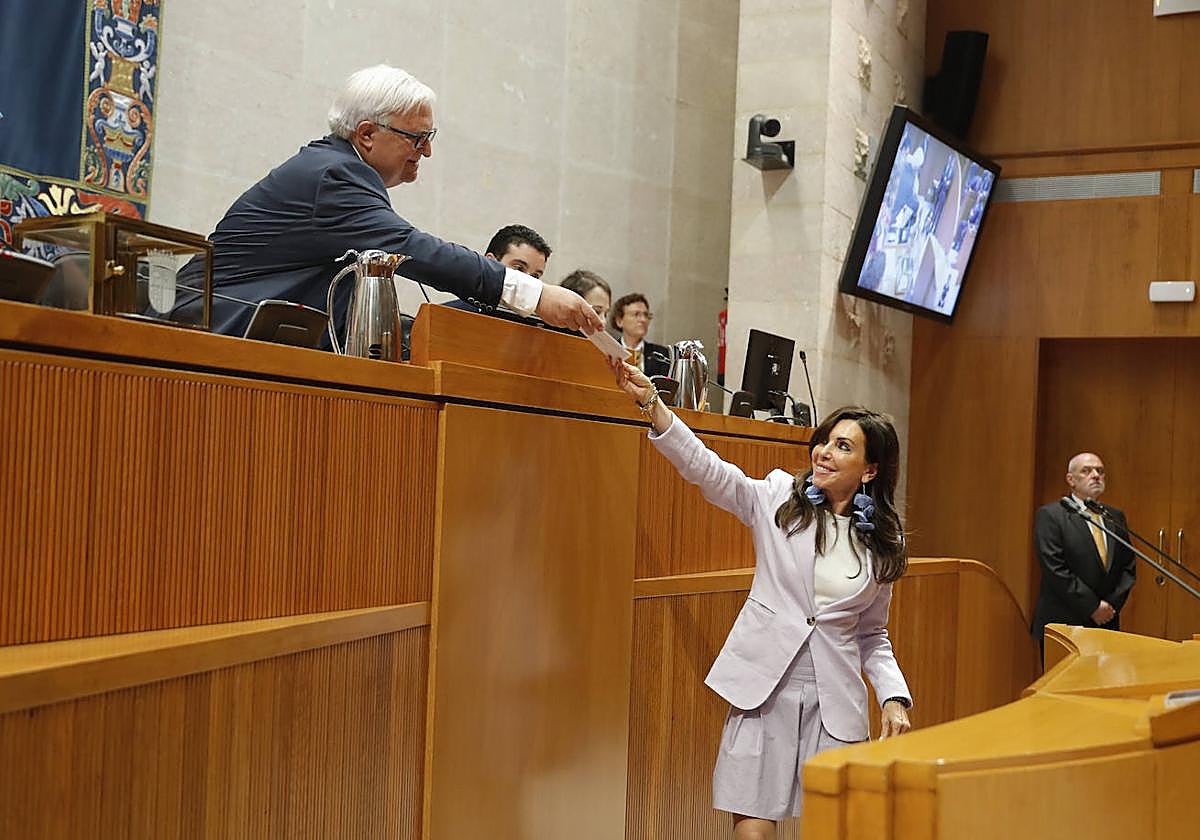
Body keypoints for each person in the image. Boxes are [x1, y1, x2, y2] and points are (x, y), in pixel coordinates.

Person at [612, 360, 912, 839]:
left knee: (833, 826)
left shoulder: (883, 544)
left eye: (843, 446)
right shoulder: (777, 497)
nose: (824, 452)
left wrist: (894, 696)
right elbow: (711, 472)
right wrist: (654, 405)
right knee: (752, 827)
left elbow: (873, 634)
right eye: (825, 440)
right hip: (764, 687)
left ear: (870, 469)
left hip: (834, 698)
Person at [191, 64, 600, 341]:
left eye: (429, 138)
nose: (425, 152)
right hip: (209, 335)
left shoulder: (335, 169)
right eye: (416, 138)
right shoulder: (335, 175)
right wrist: (535, 295)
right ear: (367, 134)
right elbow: (412, 248)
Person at [1031, 453, 1136, 654]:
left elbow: (1128, 567)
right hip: (1065, 622)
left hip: (1107, 622)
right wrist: (1092, 606)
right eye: (1086, 471)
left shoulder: (1115, 516)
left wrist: (1109, 607)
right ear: (1071, 480)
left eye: (1100, 471)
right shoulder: (1051, 515)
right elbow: (1055, 568)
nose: (1096, 475)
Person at [443, 224, 552, 315]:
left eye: (535, 276)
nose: (528, 283)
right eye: (519, 268)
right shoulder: (446, 315)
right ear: (490, 262)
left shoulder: (540, 328)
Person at [609, 292, 670, 377]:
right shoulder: (610, 351)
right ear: (619, 321)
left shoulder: (661, 354)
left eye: (646, 315)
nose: (643, 320)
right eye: (636, 314)